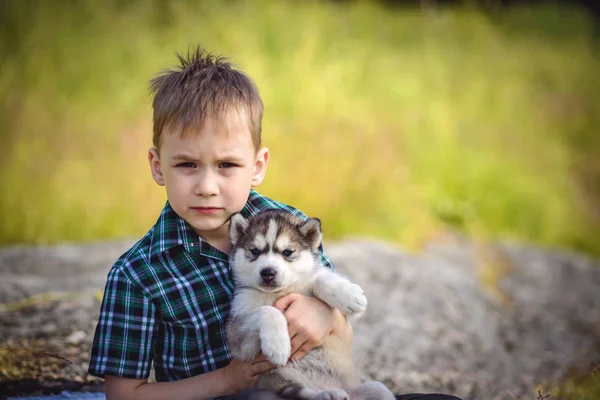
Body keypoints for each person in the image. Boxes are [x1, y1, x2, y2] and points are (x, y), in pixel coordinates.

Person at [88, 47, 461, 400]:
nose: (206, 187)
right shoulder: (137, 274)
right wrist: (227, 379)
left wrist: (324, 313)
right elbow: (123, 395)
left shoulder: (287, 227)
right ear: (157, 166)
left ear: (258, 166)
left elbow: (342, 335)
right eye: (187, 165)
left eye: (227, 165)